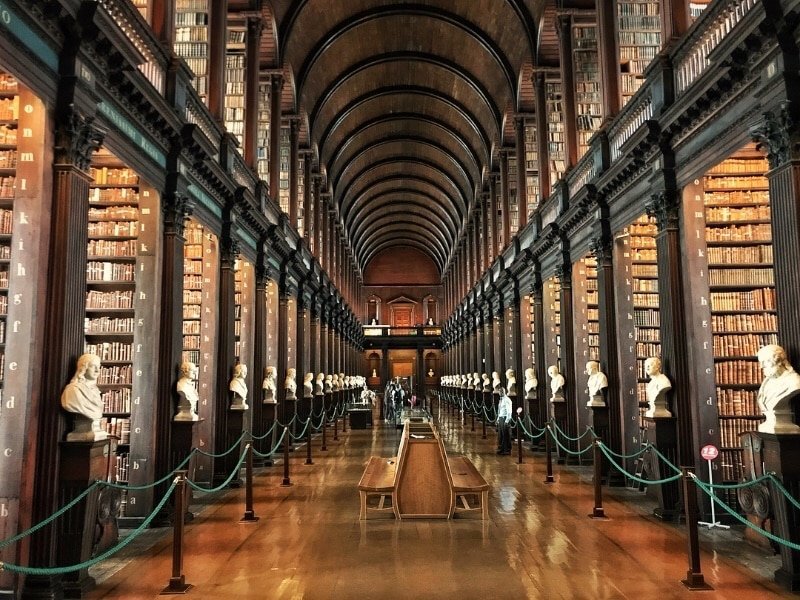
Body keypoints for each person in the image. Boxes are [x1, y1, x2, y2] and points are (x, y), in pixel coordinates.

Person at [61, 353, 107, 441]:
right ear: (83, 368)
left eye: (99, 367)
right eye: (93, 366)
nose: (97, 370)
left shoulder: (95, 391)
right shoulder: (73, 390)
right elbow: (69, 404)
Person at [756, 344, 800, 433]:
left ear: (778, 361)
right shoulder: (766, 383)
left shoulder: (794, 381)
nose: (761, 366)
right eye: (761, 362)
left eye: (765, 361)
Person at [496, 387, 513, 455]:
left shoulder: (507, 400)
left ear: (503, 392)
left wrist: (507, 420)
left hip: (505, 418)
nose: (499, 393)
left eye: (500, 392)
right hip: (501, 418)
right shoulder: (501, 400)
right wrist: (498, 419)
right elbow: (500, 410)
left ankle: (507, 450)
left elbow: (509, 411)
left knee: (506, 435)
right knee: (501, 435)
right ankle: (502, 448)